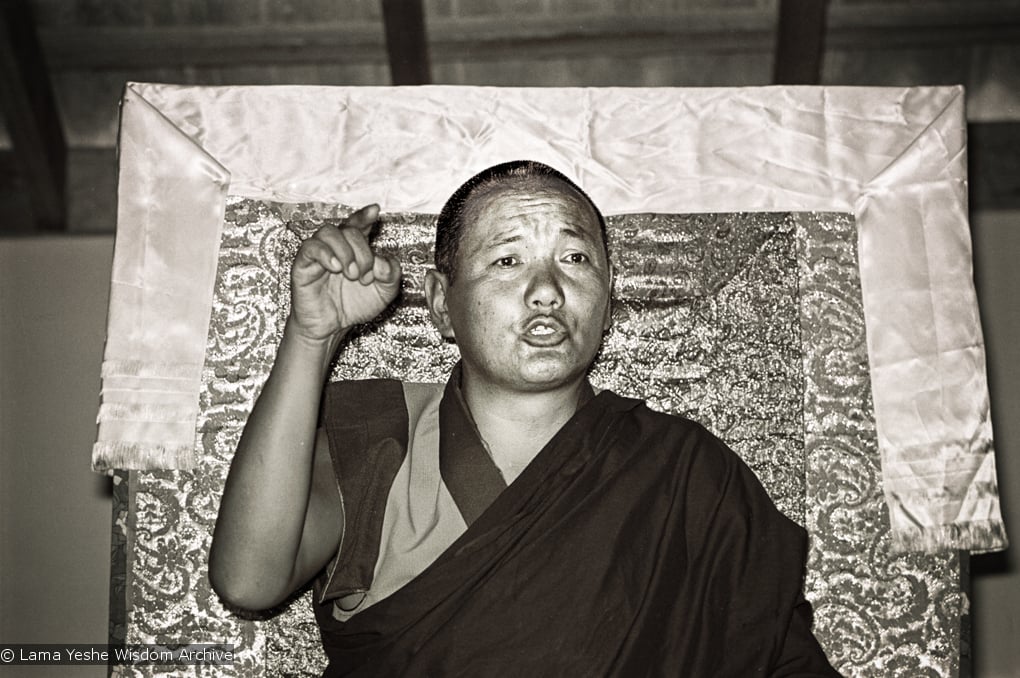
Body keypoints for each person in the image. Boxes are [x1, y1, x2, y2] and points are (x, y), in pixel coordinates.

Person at [209, 160, 841, 676]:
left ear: (607, 297)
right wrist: (311, 337)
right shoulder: (377, 438)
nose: (547, 290)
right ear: (440, 303)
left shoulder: (690, 474)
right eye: (507, 260)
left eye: (575, 259)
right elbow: (248, 581)